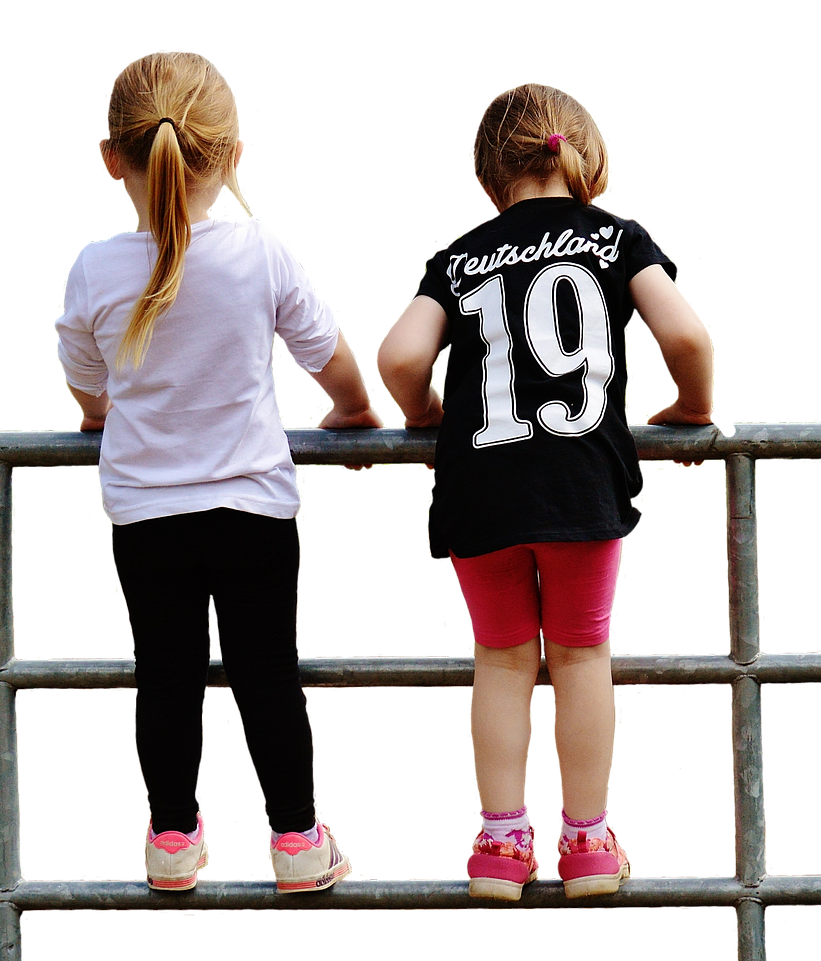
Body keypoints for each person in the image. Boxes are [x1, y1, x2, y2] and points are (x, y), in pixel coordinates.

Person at [53, 50, 384, 893]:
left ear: (110, 158)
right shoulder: (257, 250)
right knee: (265, 669)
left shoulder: (94, 267)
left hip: (145, 513)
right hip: (253, 507)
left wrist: (98, 418)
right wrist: (352, 412)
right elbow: (326, 354)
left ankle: (170, 839)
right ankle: (298, 842)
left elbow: (85, 382)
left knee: (164, 671)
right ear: (235, 154)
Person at [376, 82, 715, 901]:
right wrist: (693, 410)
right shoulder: (617, 239)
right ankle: (588, 840)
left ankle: (499, 844)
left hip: (479, 484)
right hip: (581, 482)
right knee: (581, 653)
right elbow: (686, 335)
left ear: (488, 175)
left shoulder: (459, 257)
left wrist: (424, 415)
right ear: (583, 153)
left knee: (500, 659)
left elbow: (396, 359)